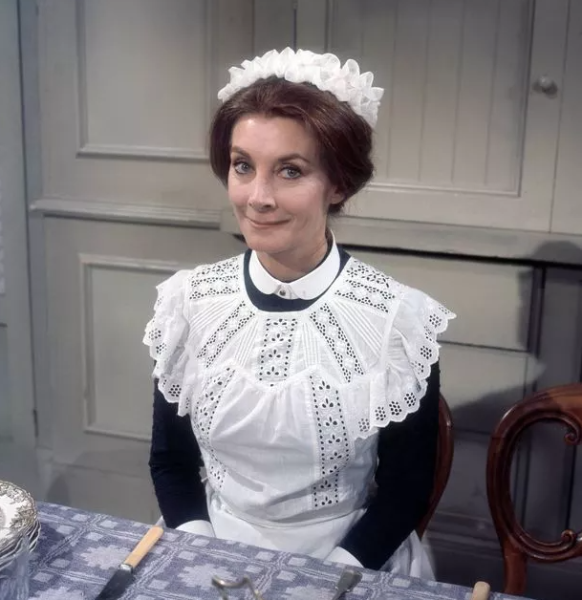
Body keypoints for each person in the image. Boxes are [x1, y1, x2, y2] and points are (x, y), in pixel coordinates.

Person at [144, 48, 455, 576]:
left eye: (290, 171)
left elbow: (406, 490)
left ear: (339, 183)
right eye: (243, 166)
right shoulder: (187, 303)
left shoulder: (397, 321)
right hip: (209, 553)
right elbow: (171, 463)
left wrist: (323, 580)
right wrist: (203, 555)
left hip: (347, 563)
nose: (258, 197)